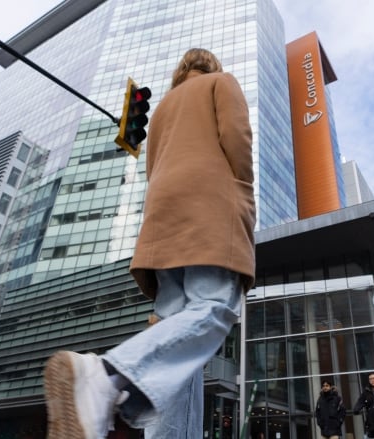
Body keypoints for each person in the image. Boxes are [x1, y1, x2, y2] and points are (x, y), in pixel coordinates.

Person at [43, 48, 255, 439]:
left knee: (177, 340)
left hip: (164, 215)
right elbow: (237, 140)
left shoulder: (160, 110)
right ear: (210, 66)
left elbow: (152, 165)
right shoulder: (220, 82)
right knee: (214, 306)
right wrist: (243, 192)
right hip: (209, 204)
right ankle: (103, 376)